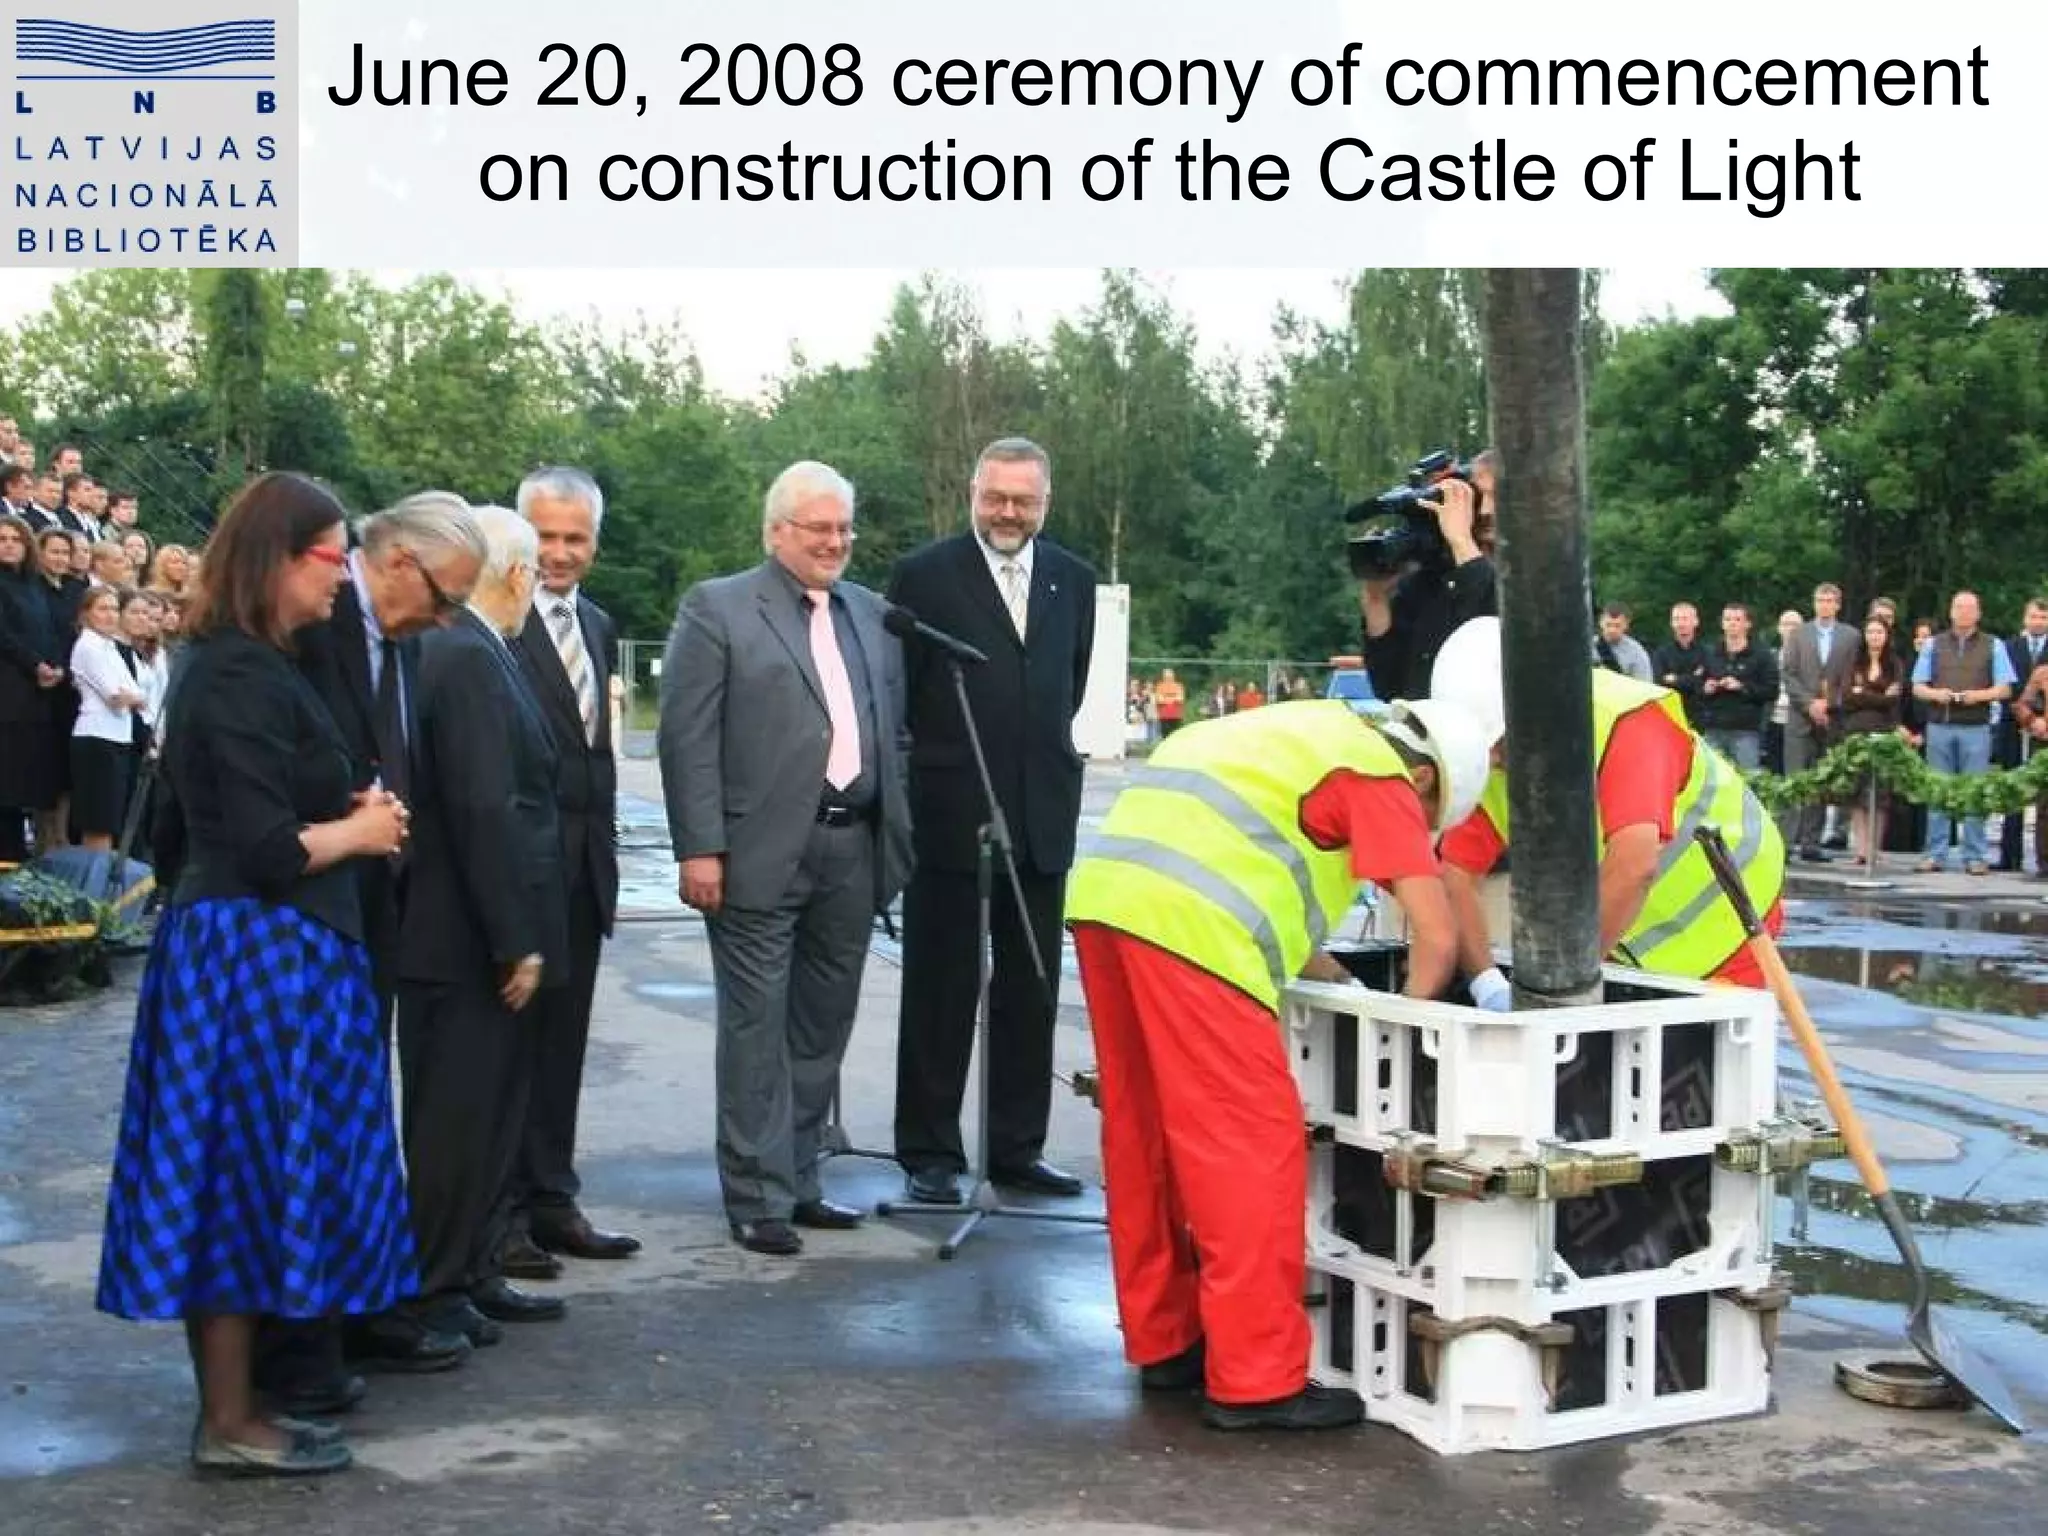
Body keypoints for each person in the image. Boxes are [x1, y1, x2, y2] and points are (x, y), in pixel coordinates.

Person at [95, 472, 415, 1478]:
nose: (343, 581)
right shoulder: (228, 673)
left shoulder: (265, 666)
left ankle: (245, 1410)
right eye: (332, 560)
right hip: (250, 961)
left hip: (279, 959)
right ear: (279, 559)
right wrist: (360, 829)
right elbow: (262, 847)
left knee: (261, 1182)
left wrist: (346, 805)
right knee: (234, 1185)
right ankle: (230, 1422)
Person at [1065, 695, 1492, 1432]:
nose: (1417, 839)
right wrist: (1406, 1023)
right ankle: (1257, 1379)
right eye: (1429, 826)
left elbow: (1264, 893)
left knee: (1146, 1135)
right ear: (1424, 779)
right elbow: (1436, 935)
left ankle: (1167, 1343)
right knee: (1249, 1145)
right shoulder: (1379, 772)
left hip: (1110, 908)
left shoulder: (1290, 734)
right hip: (1195, 937)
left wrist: (1342, 983)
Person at [657, 461, 913, 1255]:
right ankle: (753, 1193)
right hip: (754, 853)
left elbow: (890, 726)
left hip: (852, 845)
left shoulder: (871, 615)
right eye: (818, 528)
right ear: (777, 532)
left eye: (843, 529)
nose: (835, 542)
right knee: (755, 1026)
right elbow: (686, 738)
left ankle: (802, 1178)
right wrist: (700, 846)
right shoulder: (718, 608)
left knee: (821, 1026)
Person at [274, 493, 488, 1401]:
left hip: (376, 901)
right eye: (444, 596)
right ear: (397, 560)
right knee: (315, 1133)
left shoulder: (399, 641)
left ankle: (366, 1311)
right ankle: (317, 1339)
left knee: (358, 1126)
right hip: (307, 905)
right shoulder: (313, 631)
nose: (446, 620)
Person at [888, 436, 1098, 1206]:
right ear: (973, 494)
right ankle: (931, 1150)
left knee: (1030, 991)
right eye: (995, 497)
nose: (1008, 513)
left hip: (1041, 812)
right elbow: (904, 695)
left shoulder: (1073, 579)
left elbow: (1066, 686)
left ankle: (1017, 1148)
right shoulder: (925, 574)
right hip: (951, 816)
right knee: (940, 987)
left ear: (1046, 501)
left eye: (1023, 500)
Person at [396, 504, 570, 1339]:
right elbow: (482, 806)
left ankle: (469, 1269)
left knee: (490, 1115)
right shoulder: (464, 653)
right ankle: (432, 1286)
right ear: (518, 574)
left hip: (473, 932)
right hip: (463, 938)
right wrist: (517, 937)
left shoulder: (478, 651)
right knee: (453, 1126)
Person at [1430, 618, 1787, 995]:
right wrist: (1486, 984)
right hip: (1629, 941)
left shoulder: (1627, 721)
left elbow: (1634, 866)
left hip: (1730, 927)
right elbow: (1455, 877)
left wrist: (1561, 986)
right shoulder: (1496, 757)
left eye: (1501, 743)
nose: (1496, 760)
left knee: (1695, 1049)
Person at [501, 466, 640, 1277]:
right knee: (511, 1053)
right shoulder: (493, 624)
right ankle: (506, 1213)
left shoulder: (597, 622)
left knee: (563, 1048)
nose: (557, 553)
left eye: (574, 538)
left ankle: (553, 1197)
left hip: (584, 872)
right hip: (521, 872)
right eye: (544, 536)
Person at [1357, 454, 1498, 702]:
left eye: (1499, 497)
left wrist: (1462, 541)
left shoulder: (1545, 574)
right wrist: (1376, 600)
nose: (1486, 509)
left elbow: (1492, 628)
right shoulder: (1432, 580)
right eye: (1480, 497)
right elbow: (1390, 689)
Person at [1910, 590, 2017, 875]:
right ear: (1951, 612)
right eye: (1959, 608)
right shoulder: (1933, 644)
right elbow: (1917, 685)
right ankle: (1935, 853)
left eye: (1970, 609)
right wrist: (1936, 693)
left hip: (1976, 727)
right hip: (1939, 725)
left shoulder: (1994, 645)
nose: (1964, 613)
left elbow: (2006, 688)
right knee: (1938, 791)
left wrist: (1979, 696)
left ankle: (1975, 855)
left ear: (1978, 614)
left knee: (1975, 792)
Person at [0, 514, 66, 861]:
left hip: (36, 698)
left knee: (25, 788)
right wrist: (34, 665)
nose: (9, 545)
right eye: (2, 539)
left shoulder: (33, 587)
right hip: (8, 696)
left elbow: (47, 631)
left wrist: (54, 666)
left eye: (15, 539)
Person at [1778, 583, 1854, 863]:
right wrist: (1809, 703)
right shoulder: (1798, 635)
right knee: (1795, 780)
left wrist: (1830, 702)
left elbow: (1850, 675)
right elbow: (1788, 674)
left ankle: (1811, 842)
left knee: (1822, 782)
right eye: (1819, 600)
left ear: (1838, 604)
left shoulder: (1850, 637)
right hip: (1800, 716)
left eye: (1829, 600)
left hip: (1833, 718)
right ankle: (1785, 841)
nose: (1824, 605)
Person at [67, 583, 143, 852]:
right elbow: (116, 696)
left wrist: (133, 697)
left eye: (114, 609)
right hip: (96, 736)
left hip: (118, 735)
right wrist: (133, 697)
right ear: (86, 613)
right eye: (102, 609)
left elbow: (134, 691)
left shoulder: (110, 647)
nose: (110, 615)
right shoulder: (88, 647)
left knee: (111, 817)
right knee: (98, 819)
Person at [1834, 614, 1906, 863]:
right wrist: (1879, 695)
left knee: (1880, 794)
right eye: (1871, 632)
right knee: (1856, 792)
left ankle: (1874, 849)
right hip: (1855, 730)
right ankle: (1861, 849)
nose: (1875, 637)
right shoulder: (1854, 662)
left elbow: (1895, 699)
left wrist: (1863, 692)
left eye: (1879, 632)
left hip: (1883, 731)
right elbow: (1846, 696)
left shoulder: (1894, 664)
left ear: (1887, 636)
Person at [1695, 602, 1778, 771]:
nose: (1732, 623)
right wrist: (1706, 688)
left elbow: (1771, 691)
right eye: (1728, 619)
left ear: (1748, 624)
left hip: (1746, 730)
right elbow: (1696, 685)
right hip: (1714, 729)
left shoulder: (1762, 655)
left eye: (1737, 619)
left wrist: (1741, 687)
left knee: (1749, 781)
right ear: (1722, 623)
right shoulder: (1710, 654)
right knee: (1711, 781)